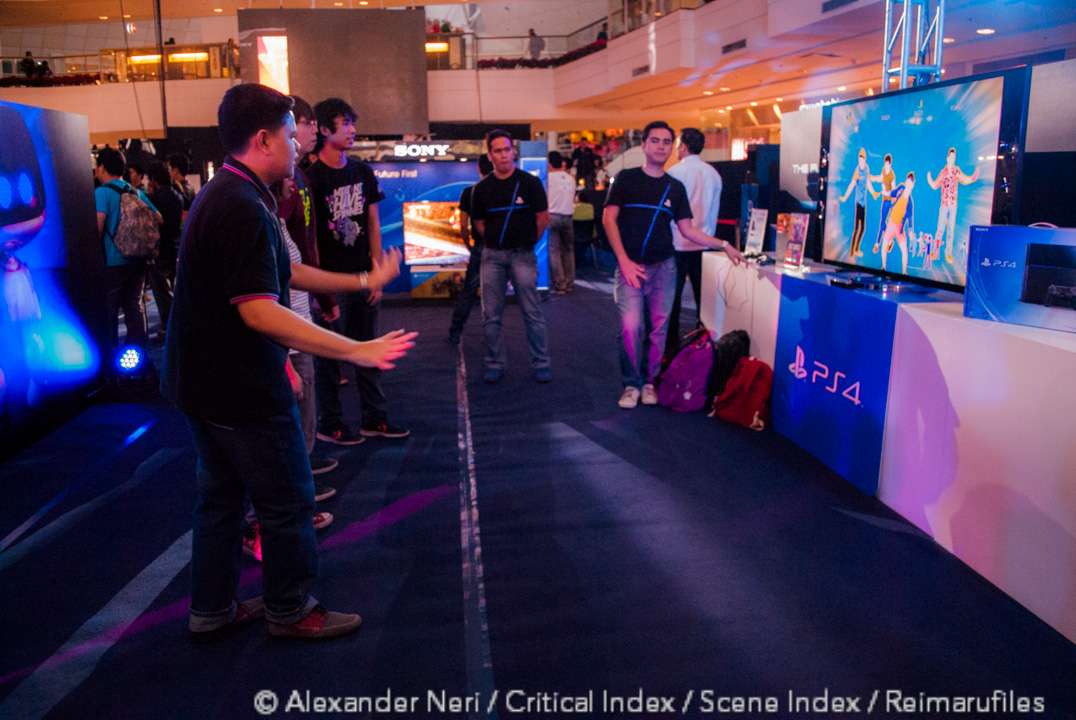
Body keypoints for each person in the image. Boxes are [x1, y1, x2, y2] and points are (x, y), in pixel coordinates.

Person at [161, 83, 415, 642]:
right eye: (291, 134)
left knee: (220, 501)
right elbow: (259, 310)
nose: (300, 144)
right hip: (239, 389)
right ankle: (290, 609)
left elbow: (287, 271)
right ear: (263, 139)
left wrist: (362, 279)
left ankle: (212, 609)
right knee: (287, 502)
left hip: (203, 384)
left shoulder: (233, 191)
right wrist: (355, 349)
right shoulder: (242, 204)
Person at [602, 121, 744, 409]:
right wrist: (624, 261)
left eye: (667, 142)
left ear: (673, 147)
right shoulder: (627, 179)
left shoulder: (675, 187)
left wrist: (724, 244)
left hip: (664, 268)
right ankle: (631, 383)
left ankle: (649, 382)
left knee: (659, 330)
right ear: (644, 145)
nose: (661, 146)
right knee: (630, 327)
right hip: (631, 268)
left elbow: (688, 230)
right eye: (655, 141)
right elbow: (608, 219)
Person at [307, 97, 410, 443]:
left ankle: (374, 419)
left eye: (352, 122)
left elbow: (373, 223)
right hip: (332, 281)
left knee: (371, 349)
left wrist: (377, 272)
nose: (352, 130)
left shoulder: (362, 172)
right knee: (329, 357)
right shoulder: (311, 179)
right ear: (324, 130)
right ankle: (331, 424)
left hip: (364, 276)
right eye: (345, 123)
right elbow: (311, 238)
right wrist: (321, 291)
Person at [470, 129, 552, 384]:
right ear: (490, 155)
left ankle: (541, 363)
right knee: (491, 316)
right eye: (498, 151)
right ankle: (494, 363)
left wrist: (526, 243)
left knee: (532, 312)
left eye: (507, 149)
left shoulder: (530, 183)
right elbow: (479, 223)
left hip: (522, 255)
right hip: (492, 257)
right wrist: (496, 241)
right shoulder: (481, 189)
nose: (504, 155)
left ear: (513, 151)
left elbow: (543, 218)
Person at [94, 147, 162, 351]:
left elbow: (98, 227)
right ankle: (137, 354)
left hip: (113, 261)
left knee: (109, 309)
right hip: (139, 259)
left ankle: (111, 355)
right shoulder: (135, 192)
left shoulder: (102, 192)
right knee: (134, 305)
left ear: (102, 167)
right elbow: (159, 218)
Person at [665, 127, 722, 357]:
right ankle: (704, 346)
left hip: (677, 243)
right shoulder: (713, 174)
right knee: (704, 301)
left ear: (684, 146)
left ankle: (670, 348)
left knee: (673, 299)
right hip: (705, 246)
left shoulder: (674, 172)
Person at [448, 154, 494, 345]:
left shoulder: (469, 192)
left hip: (479, 247)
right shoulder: (499, 190)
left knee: (468, 292)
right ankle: (493, 335)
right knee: (495, 293)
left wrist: (469, 245)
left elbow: (463, 225)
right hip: (498, 248)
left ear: (478, 169)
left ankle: (455, 331)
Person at [145, 160, 183, 338]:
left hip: (160, 248)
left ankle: (168, 325)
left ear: (154, 179)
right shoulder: (177, 195)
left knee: (161, 290)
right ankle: (175, 323)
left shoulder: (154, 199)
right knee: (172, 287)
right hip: (175, 245)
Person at [927, 147, 980, 265]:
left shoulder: (956, 171)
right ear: (947, 158)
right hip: (944, 205)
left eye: (954, 157)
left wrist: (973, 178)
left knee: (950, 229)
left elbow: (964, 179)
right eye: (950, 157)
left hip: (952, 205)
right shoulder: (943, 172)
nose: (952, 159)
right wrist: (929, 179)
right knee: (940, 229)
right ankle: (935, 251)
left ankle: (948, 254)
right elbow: (935, 185)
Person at [546, 151, 577, 294]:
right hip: (568, 216)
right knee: (569, 250)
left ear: (549, 164)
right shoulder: (571, 179)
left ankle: (560, 284)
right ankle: (570, 283)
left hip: (552, 216)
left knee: (554, 251)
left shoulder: (548, 178)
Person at [838, 148, 877, 261]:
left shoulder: (866, 168)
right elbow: (852, 184)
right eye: (859, 160)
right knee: (856, 228)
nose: (860, 162)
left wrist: (873, 193)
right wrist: (845, 197)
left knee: (862, 228)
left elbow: (868, 182)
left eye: (862, 159)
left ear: (865, 160)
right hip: (858, 203)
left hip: (864, 203)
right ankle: (851, 254)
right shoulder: (857, 171)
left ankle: (856, 249)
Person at [879, 172, 917, 275]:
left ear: (912, 186)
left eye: (911, 184)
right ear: (906, 182)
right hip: (891, 224)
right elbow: (892, 193)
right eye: (907, 183)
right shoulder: (900, 188)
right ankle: (883, 267)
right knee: (884, 245)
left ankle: (904, 272)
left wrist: (911, 234)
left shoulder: (910, 203)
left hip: (899, 228)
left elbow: (910, 220)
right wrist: (885, 192)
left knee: (904, 251)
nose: (908, 186)